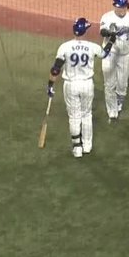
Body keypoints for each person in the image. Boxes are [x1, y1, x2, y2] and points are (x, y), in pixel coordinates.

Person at [48, 17, 116, 158]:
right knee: (86, 114)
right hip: (87, 84)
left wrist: (50, 85)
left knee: (74, 116)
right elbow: (104, 54)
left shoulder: (64, 47)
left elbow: (55, 69)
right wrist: (111, 41)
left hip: (71, 85)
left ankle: (77, 147)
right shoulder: (92, 46)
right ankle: (87, 146)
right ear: (85, 31)